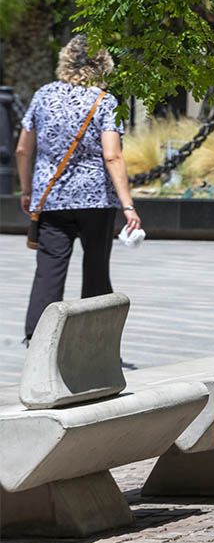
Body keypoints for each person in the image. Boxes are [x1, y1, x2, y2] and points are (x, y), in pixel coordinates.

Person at [17, 35, 142, 344]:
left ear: (65, 61)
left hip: (52, 199)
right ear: (102, 66)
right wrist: (128, 205)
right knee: (96, 266)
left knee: (49, 270)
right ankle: (94, 341)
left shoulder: (43, 95)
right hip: (96, 200)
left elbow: (22, 149)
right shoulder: (104, 101)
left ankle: (38, 340)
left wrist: (26, 191)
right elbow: (112, 155)